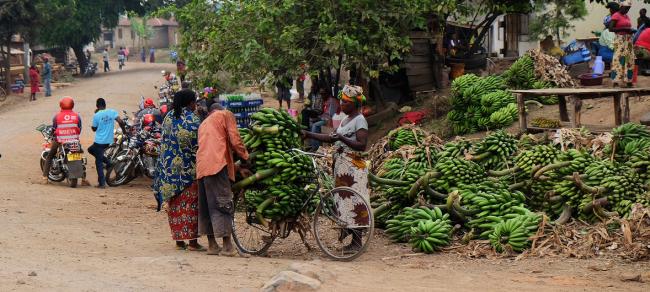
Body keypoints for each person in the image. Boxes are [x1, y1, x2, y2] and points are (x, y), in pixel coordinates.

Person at [302, 85, 369, 251]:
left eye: (346, 102)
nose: (342, 104)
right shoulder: (346, 120)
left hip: (354, 168)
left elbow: (361, 145)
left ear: (355, 104)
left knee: (355, 203)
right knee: (344, 203)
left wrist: (341, 137)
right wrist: (309, 134)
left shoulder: (359, 119)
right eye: (342, 101)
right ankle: (349, 234)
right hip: (342, 168)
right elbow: (331, 138)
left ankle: (357, 243)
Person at [196, 98, 250, 256]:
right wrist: (246, 157)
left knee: (207, 206)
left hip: (202, 167)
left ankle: (212, 245)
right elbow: (235, 139)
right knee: (223, 202)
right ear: (219, 109)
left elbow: (216, 146)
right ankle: (227, 247)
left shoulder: (203, 124)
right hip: (217, 166)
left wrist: (236, 167)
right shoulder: (225, 114)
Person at [153, 89, 205, 251]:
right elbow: (198, 144)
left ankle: (179, 241)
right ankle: (193, 242)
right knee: (190, 206)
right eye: (193, 101)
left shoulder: (168, 116)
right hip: (187, 171)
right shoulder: (192, 120)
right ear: (189, 102)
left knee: (174, 206)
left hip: (168, 171)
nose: (194, 104)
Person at [42, 97, 82, 183]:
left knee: (50, 156)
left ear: (61, 105)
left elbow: (54, 128)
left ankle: (45, 177)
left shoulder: (57, 116)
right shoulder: (77, 116)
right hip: (74, 140)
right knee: (79, 155)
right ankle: (84, 179)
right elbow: (79, 128)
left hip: (60, 141)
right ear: (72, 105)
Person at [89, 98, 125, 188]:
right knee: (90, 149)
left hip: (99, 141)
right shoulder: (112, 112)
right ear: (105, 105)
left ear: (97, 106)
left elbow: (94, 129)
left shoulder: (96, 115)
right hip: (108, 141)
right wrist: (124, 131)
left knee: (98, 161)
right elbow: (121, 121)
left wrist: (97, 117)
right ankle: (109, 163)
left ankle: (102, 183)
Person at [609, 1, 635, 87]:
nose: (627, 10)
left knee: (629, 59)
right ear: (621, 7)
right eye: (626, 8)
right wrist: (625, 28)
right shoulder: (616, 15)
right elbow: (611, 28)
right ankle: (616, 81)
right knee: (618, 59)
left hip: (628, 40)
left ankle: (628, 80)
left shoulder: (626, 16)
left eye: (629, 8)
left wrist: (630, 30)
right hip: (620, 39)